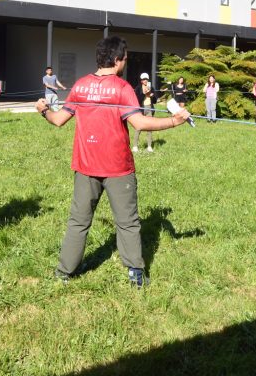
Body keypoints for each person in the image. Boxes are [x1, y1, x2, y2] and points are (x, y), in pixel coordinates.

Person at [35, 36, 190, 287]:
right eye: (125, 58)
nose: (125, 62)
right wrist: (174, 121)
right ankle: (136, 274)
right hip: (118, 168)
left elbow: (57, 120)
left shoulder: (81, 85)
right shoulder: (122, 88)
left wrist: (43, 110)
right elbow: (139, 123)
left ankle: (64, 273)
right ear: (117, 60)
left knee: (78, 221)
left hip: (85, 167)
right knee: (127, 223)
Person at [132, 72, 157, 151]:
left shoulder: (151, 88)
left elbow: (155, 101)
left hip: (149, 109)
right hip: (141, 110)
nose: (145, 80)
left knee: (149, 128)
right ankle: (135, 146)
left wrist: (152, 96)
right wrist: (144, 93)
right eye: (143, 79)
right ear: (141, 80)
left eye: (146, 79)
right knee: (138, 127)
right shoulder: (138, 88)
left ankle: (149, 146)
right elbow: (136, 100)